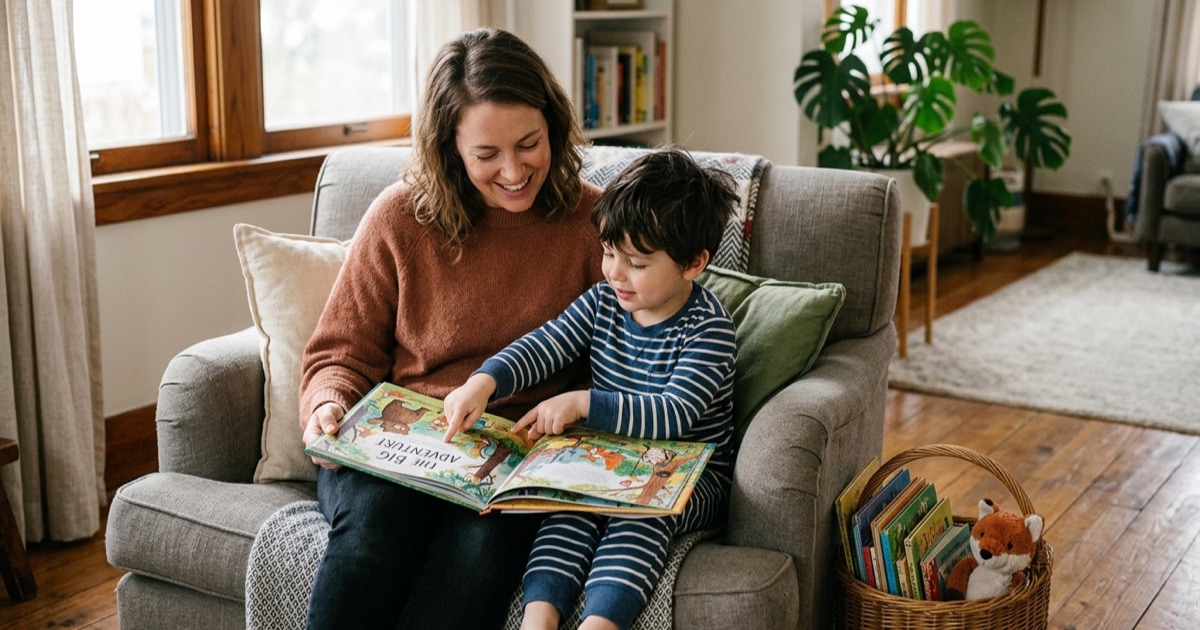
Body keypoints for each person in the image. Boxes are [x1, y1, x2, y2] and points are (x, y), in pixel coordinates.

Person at [298, 28, 606, 630]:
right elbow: (339, 353)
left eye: (529, 144)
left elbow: (635, 345)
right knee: (372, 540)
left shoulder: (594, 224)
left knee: (476, 560)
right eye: (487, 155)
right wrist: (328, 405)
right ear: (450, 149)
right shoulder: (400, 217)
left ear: (555, 127)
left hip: (514, 457)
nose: (515, 171)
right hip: (397, 446)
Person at [442, 148, 741, 630]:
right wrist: (486, 380)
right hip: (605, 461)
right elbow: (548, 343)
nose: (615, 273)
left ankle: (600, 623)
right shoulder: (604, 301)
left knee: (636, 521)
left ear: (693, 263)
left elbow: (673, 415)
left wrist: (583, 403)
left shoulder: (709, 330)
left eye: (637, 263)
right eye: (608, 253)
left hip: (685, 473)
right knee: (565, 511)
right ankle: (538, 620)